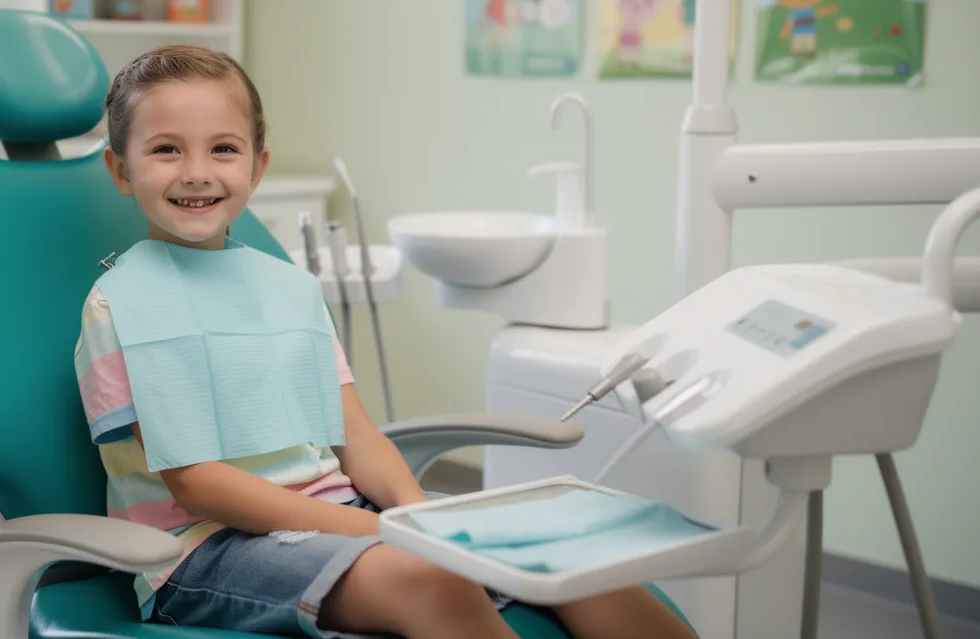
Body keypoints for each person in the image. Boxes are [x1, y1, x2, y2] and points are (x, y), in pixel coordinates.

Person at [76, 44, 696, 639]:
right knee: (433, 580)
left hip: (339, 514)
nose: (197, 172)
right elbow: (199, 486)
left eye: (223, 149)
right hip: (202, 550)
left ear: (257, 165)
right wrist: (372, 530)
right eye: (166, 149)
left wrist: (413, 510)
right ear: (120, 168)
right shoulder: (124, 305)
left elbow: (354, 433)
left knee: (571, 559)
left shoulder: (289, 287)